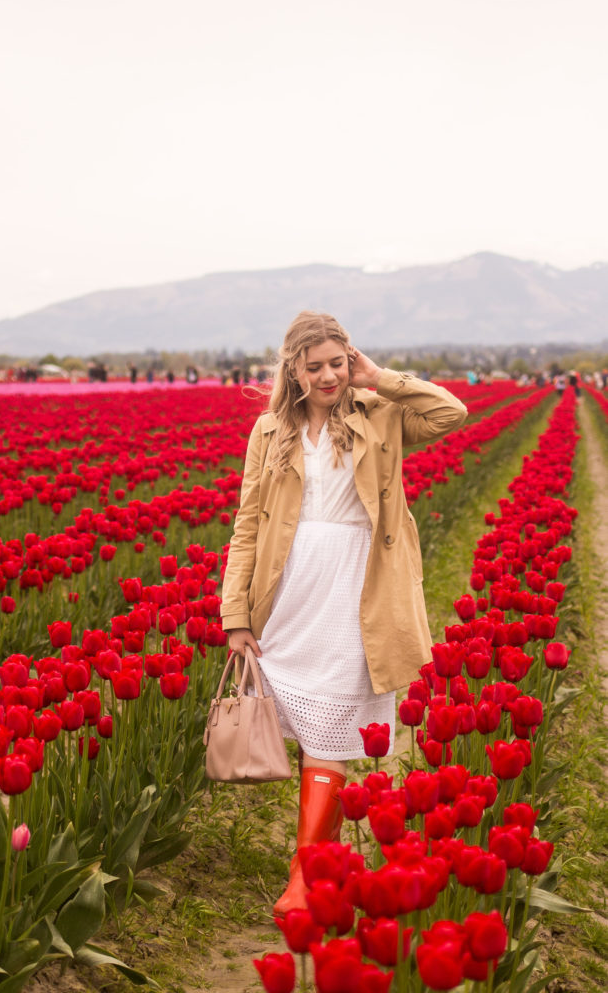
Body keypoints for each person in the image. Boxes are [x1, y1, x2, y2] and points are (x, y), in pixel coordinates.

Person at [220, 311, 467, 917]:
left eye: (338, 362)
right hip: (290, 588)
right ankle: (318, 867)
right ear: (294, 371)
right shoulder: (269, 432)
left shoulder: (378, 414)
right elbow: (248, 524)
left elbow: (451, 413)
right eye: (316, 367)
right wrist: (235, 614)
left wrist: (379, 377)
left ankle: (306, 876)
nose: (329, 375)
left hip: (359, 589)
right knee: (309, 732)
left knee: (329, 730)